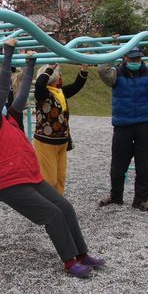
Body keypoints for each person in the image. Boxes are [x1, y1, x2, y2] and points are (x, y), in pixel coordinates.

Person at [0, 39, 105, 278]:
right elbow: (3, 89)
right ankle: (69, 262)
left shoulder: (11, 120)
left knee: (64, 206)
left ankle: (81, 253)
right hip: (10, 184)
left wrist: (30, 64)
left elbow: (23, 93)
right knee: (52, 214)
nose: (0, 104)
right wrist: (7, 54)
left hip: (30, 177)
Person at [97, 46, 148, 212]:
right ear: (124, 58)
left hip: (144, 125)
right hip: (122, 125)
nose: (135, 62)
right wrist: (115, 50)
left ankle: (140, 199)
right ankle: (116, 196)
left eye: (138, 59)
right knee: (118, 165)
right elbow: (102, 70)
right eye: (132, 59)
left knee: (144, 166)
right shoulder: (116, 74)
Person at [33, 63, 89, 195]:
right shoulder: (43, 94)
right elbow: (39, 85)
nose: (61, 77)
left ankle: (58, 205)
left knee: (59, 179)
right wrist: (50, 69)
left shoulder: (60, 93)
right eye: (59, 74)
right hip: (46, 142)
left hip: (62, 142)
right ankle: (46, 207)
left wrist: (84, 69)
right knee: (48, 179)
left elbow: (77, 86)